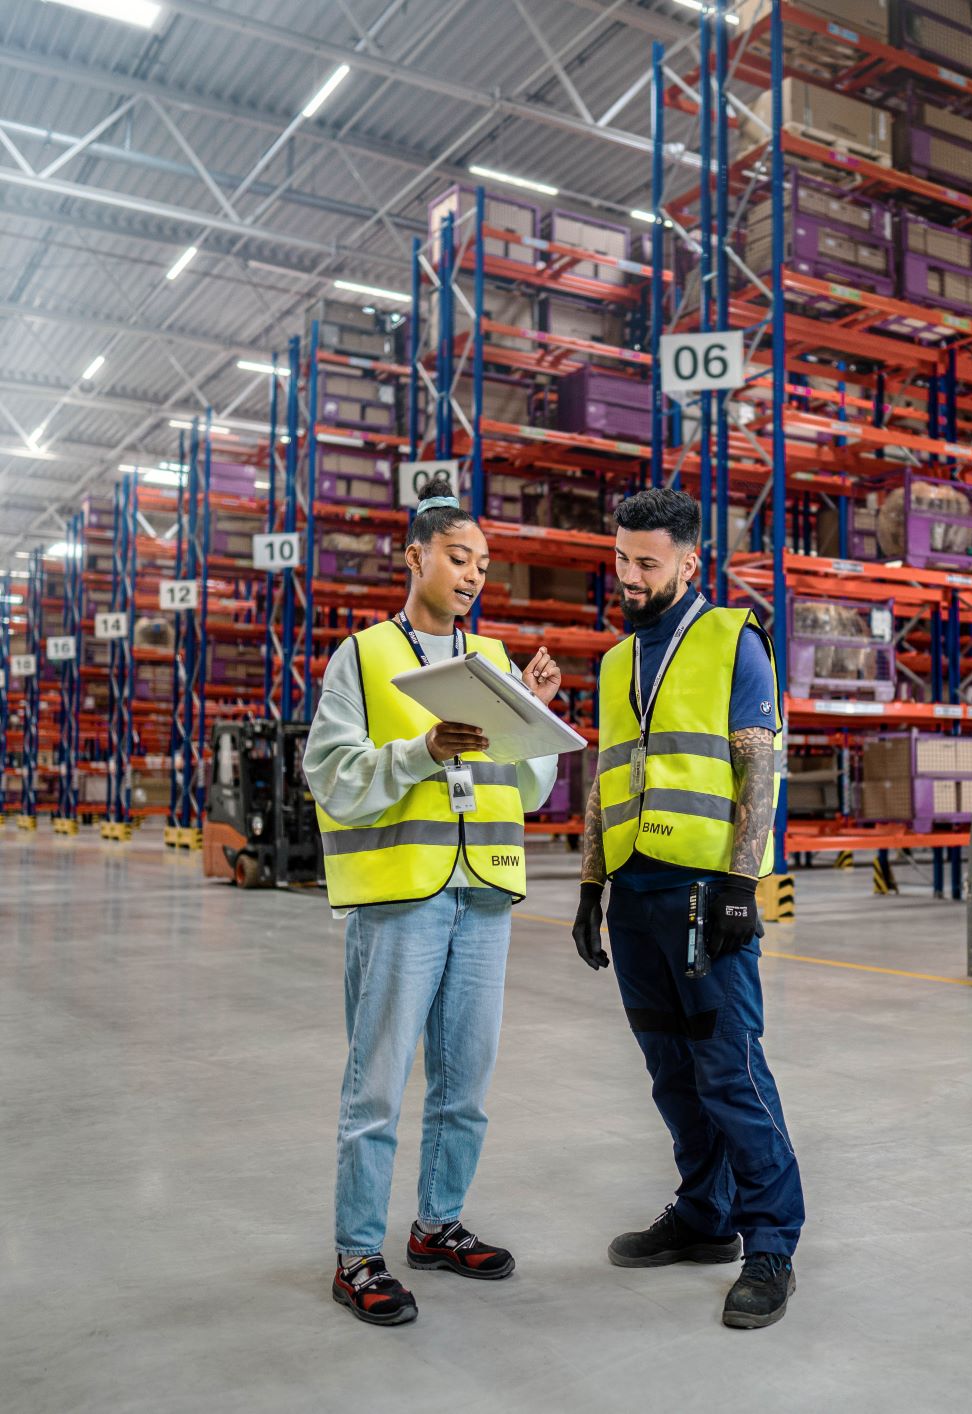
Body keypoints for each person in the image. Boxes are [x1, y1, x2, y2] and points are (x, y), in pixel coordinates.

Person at [304, 476, 562, 1328]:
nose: (474, 575)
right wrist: (419, 751)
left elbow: (526, 785)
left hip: (482, 892)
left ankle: (437, 1224)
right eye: (460, 557)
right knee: (376, 1084)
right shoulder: (363, 657)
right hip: (401, 898)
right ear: (415, 557)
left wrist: (538, 718)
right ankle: (356, 1255)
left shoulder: (491, 664)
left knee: (466, 1082)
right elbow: (332, 778)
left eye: (484, 564)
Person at [572, 487, 805, 1332]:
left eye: (647, 562)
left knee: (731, 1072)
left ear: (687, 561)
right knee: (671, 1073)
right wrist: (591, 886)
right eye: (621, 559)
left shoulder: (731, 639)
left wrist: (744, 885)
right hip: (635, 896)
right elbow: (604, 778)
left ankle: (771, 1240)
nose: (630, 576)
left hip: (708, 896)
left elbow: (758, 767)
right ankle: (705, 1214)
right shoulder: (612, 661)